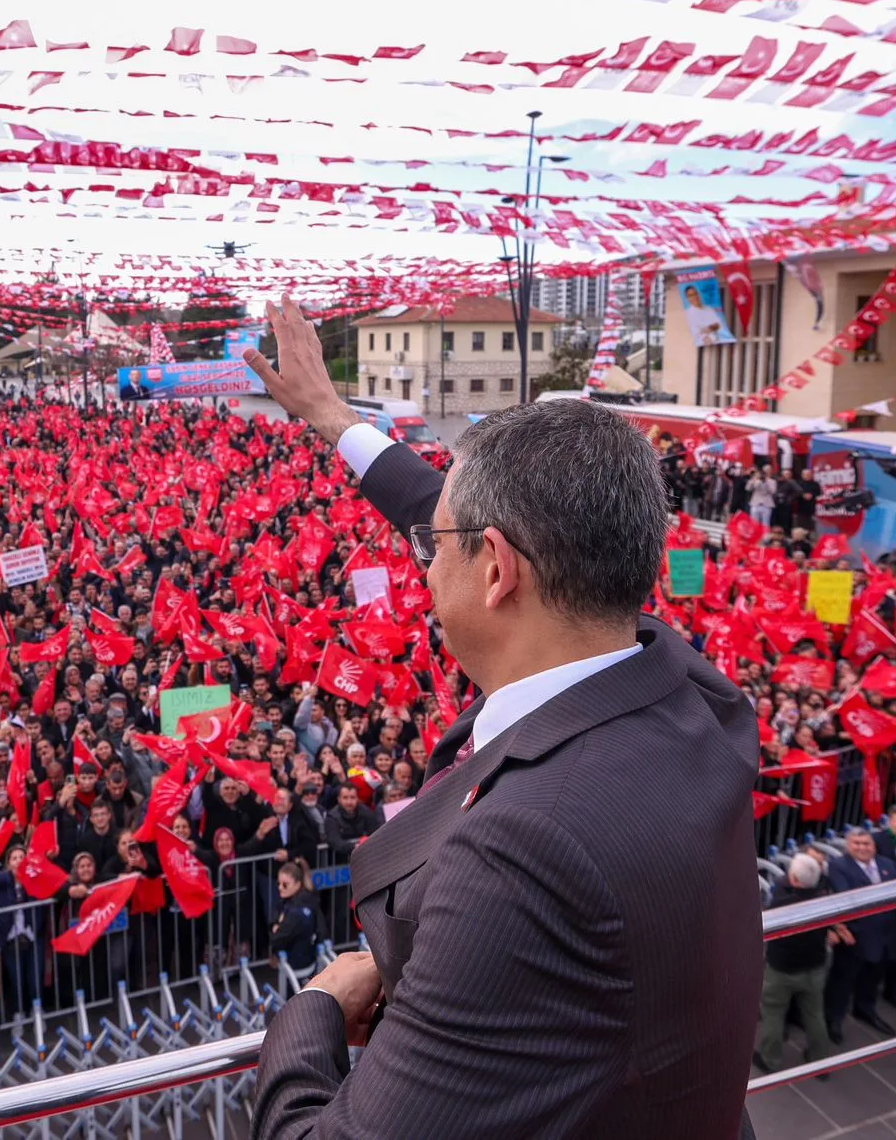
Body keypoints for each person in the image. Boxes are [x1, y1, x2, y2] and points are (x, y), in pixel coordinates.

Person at [245, 298, 760, 1139]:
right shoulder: (689, 688)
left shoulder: (524, 850)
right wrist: (333, 418)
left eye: (434, 546)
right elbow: (449, 505)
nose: (423, 561)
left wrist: (311, 1013)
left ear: (496, 572)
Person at [754, 854, 838, 1074]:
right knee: (814, 1015)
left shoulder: (782, 902)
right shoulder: (823, 899)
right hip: (814, 968)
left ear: (794, 878)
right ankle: (820, 1060)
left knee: (773, 1014)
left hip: (782, 971)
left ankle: (769, 1059)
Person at [822, 827, 896, 1042]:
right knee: (842, 981)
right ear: (849, 846)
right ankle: (834, 1020)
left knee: (873, 978)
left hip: (885, 934)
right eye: (856, 844)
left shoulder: (887, 864)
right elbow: (849, 898)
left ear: (873, 845)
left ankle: (865, 1009)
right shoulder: (839, 866)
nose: (862, 848)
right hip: (855, 937)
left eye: (866, 843)